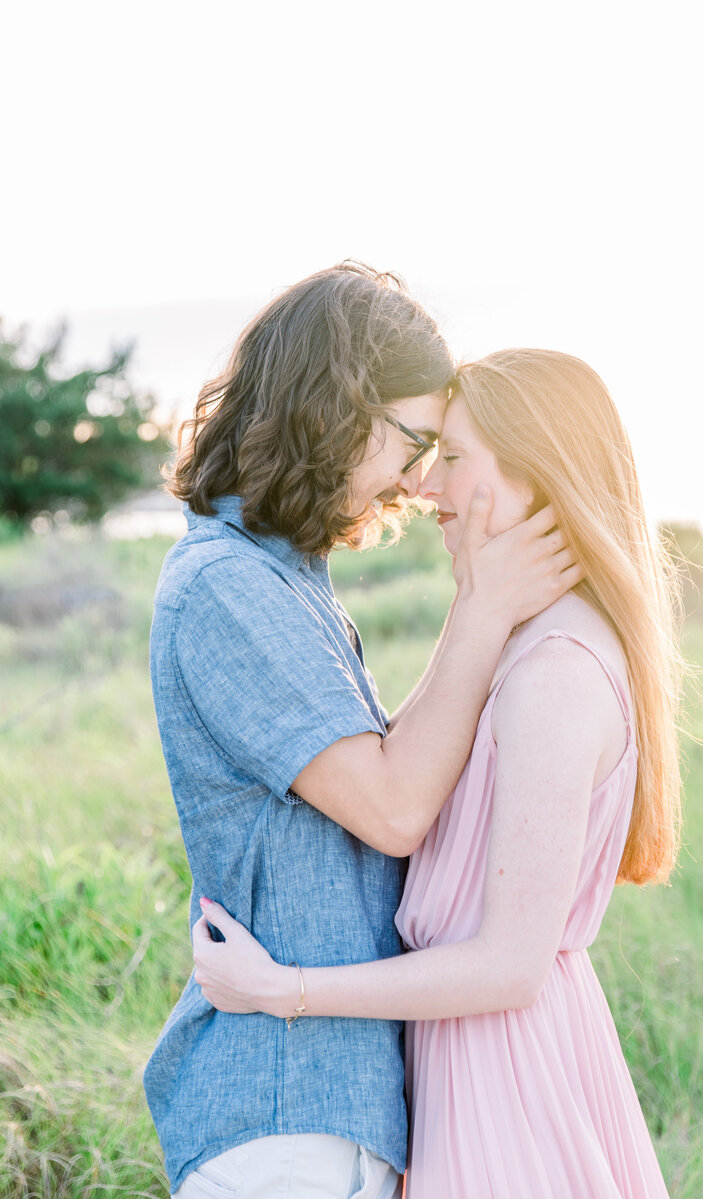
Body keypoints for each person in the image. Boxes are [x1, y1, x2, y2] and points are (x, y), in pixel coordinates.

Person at [192, 348, 684, 1198]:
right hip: (479, 1058)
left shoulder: (555, 670)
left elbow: (508, 965)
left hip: (507, 1073)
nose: (424, 489)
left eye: (453, 459)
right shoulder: (521, 642)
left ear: (536, 476)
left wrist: (283, 989)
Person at [145, 267, 580, 1199]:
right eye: (411, 441)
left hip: (327, 1113)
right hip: (280, 1112)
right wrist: (483, 610)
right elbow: (391, 808)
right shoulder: (226, 584)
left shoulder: (288, 577)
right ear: (335, 408)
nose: (418, 481)